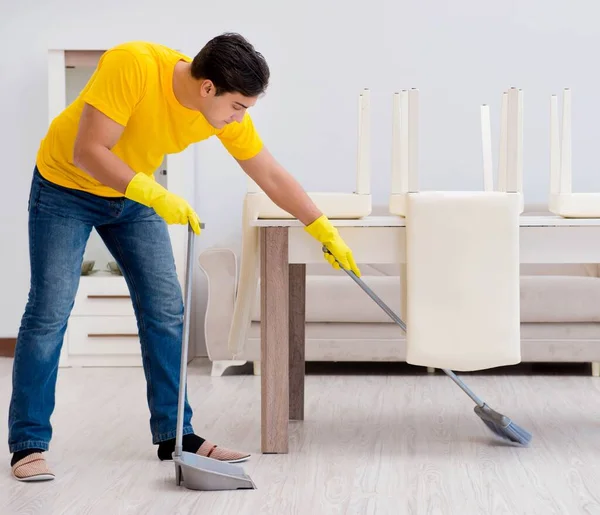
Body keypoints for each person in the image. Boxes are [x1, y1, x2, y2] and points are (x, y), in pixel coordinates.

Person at [8, 32, 361, 482]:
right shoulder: (132, 64)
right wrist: (153, 192)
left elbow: (269, 172)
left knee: (166, 310)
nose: (240, 117)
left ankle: (176, 435)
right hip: (66, 186)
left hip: (133, 194)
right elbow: (88, 151)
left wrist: (321, 226)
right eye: (238, 106)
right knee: (50, 310)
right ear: (208, 87)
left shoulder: (222, 115)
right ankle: (28, 444)